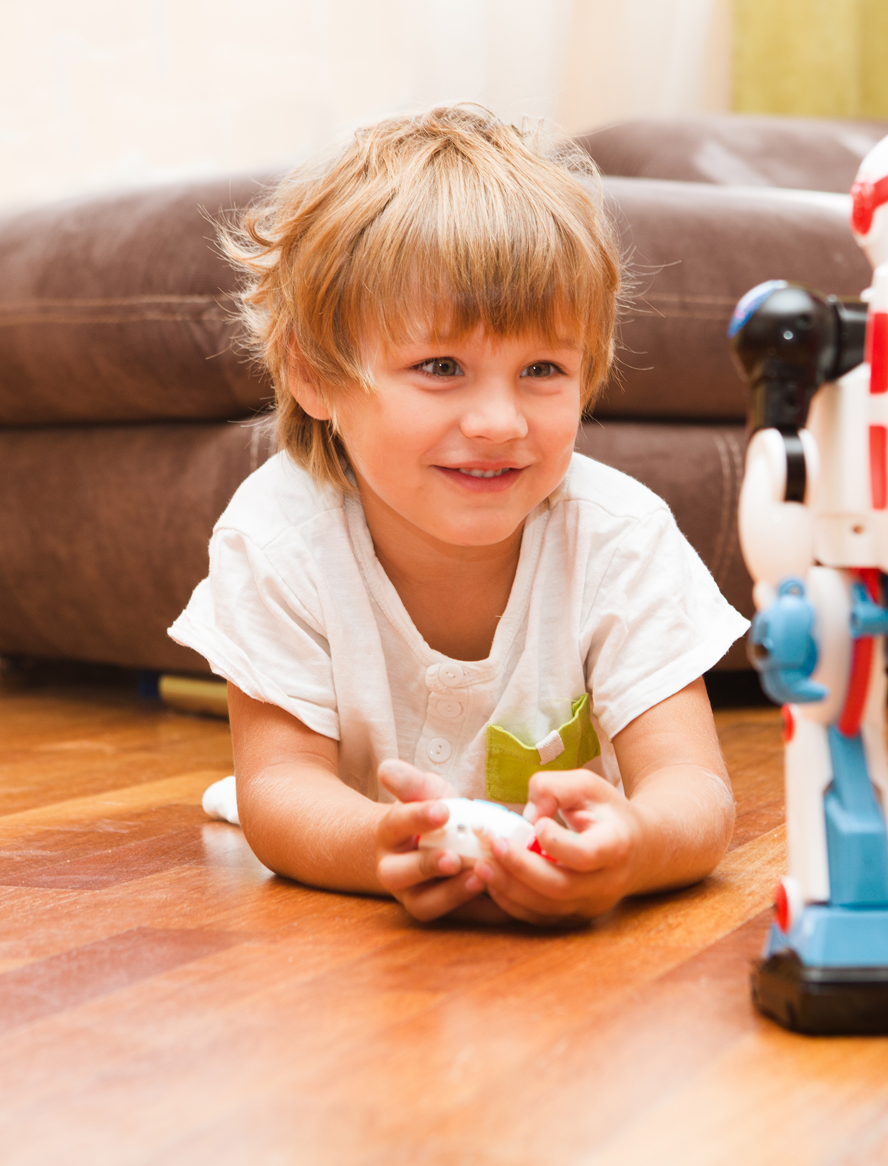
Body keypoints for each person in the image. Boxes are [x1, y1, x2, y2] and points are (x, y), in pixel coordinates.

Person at [169, 104, 747, 925]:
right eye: (441, 366)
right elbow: (279, 789)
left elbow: (696, 792)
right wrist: (377, 847)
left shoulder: (620, 536)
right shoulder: (275, 540)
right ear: (314, 373)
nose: (499, 423)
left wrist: (633, 846)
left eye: (543, 368)